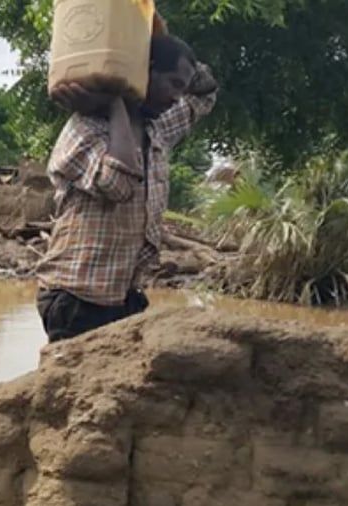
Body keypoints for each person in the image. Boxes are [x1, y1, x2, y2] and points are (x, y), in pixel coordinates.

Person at [36, 22, 217, 343]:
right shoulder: (84, 129)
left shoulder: (158, 127)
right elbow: (118, 184)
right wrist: (117, 103)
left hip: (123, 298)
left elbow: (206, 92)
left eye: (181, 87)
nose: (177, 97)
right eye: (173, 83)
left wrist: (155, 35)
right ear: (145, 72)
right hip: (76, 297)